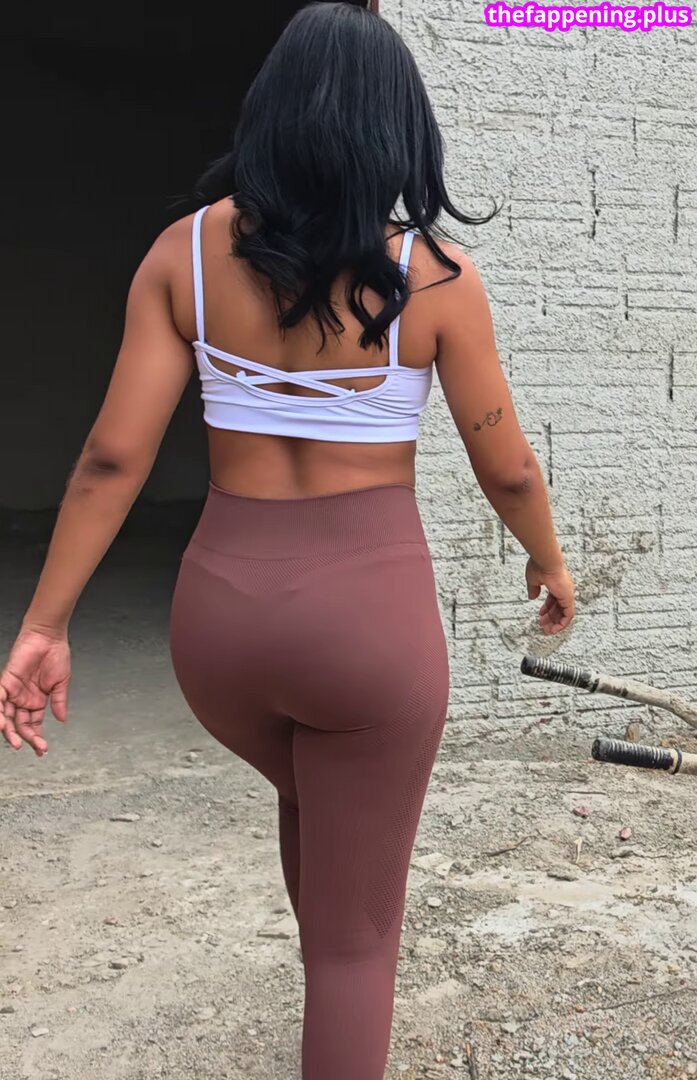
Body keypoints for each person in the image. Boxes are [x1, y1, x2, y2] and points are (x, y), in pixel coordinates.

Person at [0, 4, 575, 1077]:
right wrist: (545, 558)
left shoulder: (182, 254)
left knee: (317, 807)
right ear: (397, 131)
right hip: (366, 631)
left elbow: (111, 460)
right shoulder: (434, 278)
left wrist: (45, 624)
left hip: (221, 628)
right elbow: (505, 466)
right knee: (360, 947)